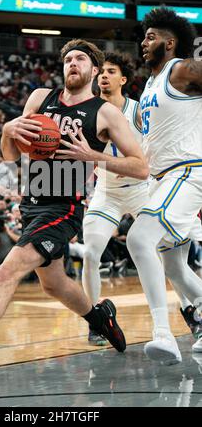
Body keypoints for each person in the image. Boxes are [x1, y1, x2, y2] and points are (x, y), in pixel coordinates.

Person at [0, 39, 148, 382]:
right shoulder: (41, 98)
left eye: (81, 59)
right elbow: (11, 155)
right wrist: (6, 130)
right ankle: (100, 318)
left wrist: (94, 156)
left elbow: (140, 167)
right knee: (54, 284)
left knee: (6, 272)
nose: (73, 63)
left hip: (63, 208)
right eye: (68, 59)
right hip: (32, 204)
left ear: (94, 69)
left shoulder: (105, 112)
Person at [126, 8, 202, 364]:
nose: (144, 42)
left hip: (188, 172)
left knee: (139, 239)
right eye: (144, 37)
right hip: (162, 181)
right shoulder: (149, 88)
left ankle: (163, 334)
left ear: (170, 43)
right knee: (173, 266)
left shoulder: (183, 69)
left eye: (151, 37)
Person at [82, 52, 150, 345]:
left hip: (141, 190)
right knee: (89, 253)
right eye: (102, 71)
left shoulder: (138, 111)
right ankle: (96, 321)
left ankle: (189, 311)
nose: (104, 75)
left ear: (123, 79)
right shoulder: (88, 111)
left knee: (166, 252)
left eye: (111, 71)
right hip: (106, 193)